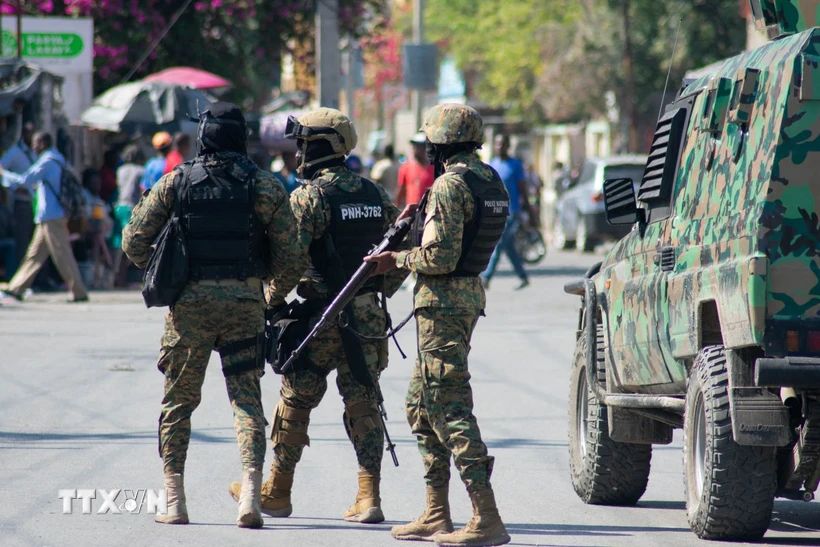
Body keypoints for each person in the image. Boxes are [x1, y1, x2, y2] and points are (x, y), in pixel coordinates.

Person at [122, 102, 301, 528]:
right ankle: (250, 499)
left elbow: (132, 244)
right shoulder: (265, 186)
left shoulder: (176, 182)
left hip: (189, 309)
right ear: (242, 138)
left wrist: (167, 266)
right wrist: (268, 294)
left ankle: (175, 500)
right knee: (246, 401)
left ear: (203, 137)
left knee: (179, 402)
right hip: (245, 306)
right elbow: (291, 258)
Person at [227, 107, 407, 525]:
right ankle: (369, 497)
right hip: (366, 319)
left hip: (319, 318)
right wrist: (372, 297)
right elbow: (398, 258)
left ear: (319, 145)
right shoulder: (375, 194)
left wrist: (270, 301)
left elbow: (288, 262)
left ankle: (277, 491)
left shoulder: (309, 197)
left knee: (294, 400)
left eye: (303, 143)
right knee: (364, 402)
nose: (298, 151)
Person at [365, 103, 511, 547]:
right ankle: (436, 512)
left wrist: (394, 259)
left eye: (430, 141)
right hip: (463, 299)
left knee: (449, 407)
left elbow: (439, 258)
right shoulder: (489, 179)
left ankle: (486, 515)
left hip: (443, 305)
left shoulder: (450, 185)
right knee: (420, 404)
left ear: (440, 143)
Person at [0, 132, 89, 303]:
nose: (33, 147)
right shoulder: (58, 159)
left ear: (42, 144)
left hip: (52, 215)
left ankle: (79, 291)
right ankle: (17, 288)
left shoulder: (47, 161)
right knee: (34, 255)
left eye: (35, 143)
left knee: (62, 254)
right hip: (48, 216)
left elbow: (25, 180)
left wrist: (4, 174)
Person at [479, 134, 537, 290]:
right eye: (497, 144)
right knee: (509, 247)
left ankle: (486, 277)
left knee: (498, 243)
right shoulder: (493, 164)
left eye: (503, 144)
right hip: (495, 211)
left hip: (511, 212)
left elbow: (522, 189)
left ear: (508, 146)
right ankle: (523, 276)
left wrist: (528, 210)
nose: (500, 147)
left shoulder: (515, 165)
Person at [1, 121, 36, 265]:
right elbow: (1, 168)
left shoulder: (36, 152)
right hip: (22, 202)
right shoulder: (15, 152)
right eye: (29, 133)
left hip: (36, 202)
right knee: (23, 241)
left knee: (35, 242)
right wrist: (15, 186)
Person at [112, 144, 145, 287]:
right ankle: (122, 278)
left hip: (119, 206)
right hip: (132, 207)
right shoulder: (140, 170)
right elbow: (142, 189)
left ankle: (116, 276)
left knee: (118, 243)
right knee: (130, 244)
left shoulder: (120, 170)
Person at [396, 132, 435, 208]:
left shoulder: (434, 168)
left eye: (419, 146)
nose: (416, 149)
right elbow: (401, 190)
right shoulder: (406, 167)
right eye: (414, 146)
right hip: (411, 213)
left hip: (428, 211)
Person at [0, 186, 17, 280]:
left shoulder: (4, 209)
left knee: (11, 245)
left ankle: (11, 279)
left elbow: (11, 229)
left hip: (3, 241)